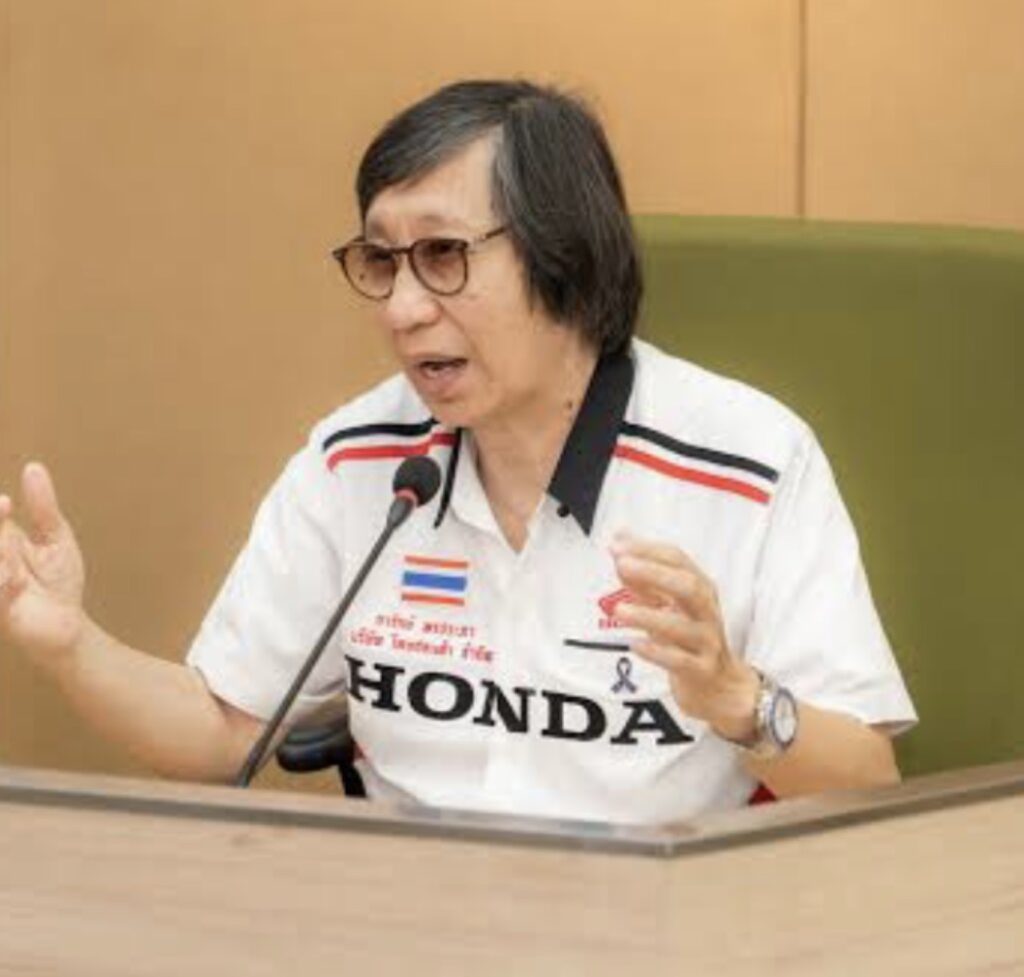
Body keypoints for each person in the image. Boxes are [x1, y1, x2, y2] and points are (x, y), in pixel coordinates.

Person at [0, 80, 915, 824]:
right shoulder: (356, 462)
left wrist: (736, 698)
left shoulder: (748, 463)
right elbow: (222, 733)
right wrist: (73, 646)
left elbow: (868, 783)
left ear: (563, 257)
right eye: (382, 262)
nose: (403, 309)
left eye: (443, 254)